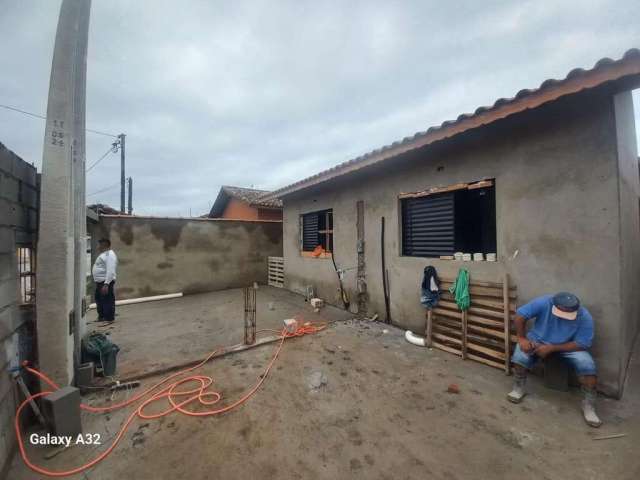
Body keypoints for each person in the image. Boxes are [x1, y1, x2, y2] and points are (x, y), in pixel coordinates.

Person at [507, 292, 601, 427]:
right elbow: (520, 315)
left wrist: (552, 348)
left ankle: (589, 405)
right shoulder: (544, 302)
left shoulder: (584, 316)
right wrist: (522, 338)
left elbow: (583, 343)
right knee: (520, 356)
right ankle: (518, 388)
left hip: (567, 347)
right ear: (554, 306)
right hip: (537, 341)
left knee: (588, 367)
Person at [92, 238, 118, 323]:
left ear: (104, 245)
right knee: (99, 299)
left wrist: (106, 284)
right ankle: (102, 317)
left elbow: (111, 270)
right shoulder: (104, 254)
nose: (98, 247)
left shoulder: (109, 255)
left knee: (107, 300)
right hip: (100, 282)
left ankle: (109, 319)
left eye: (99, 245)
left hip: (105, 282)